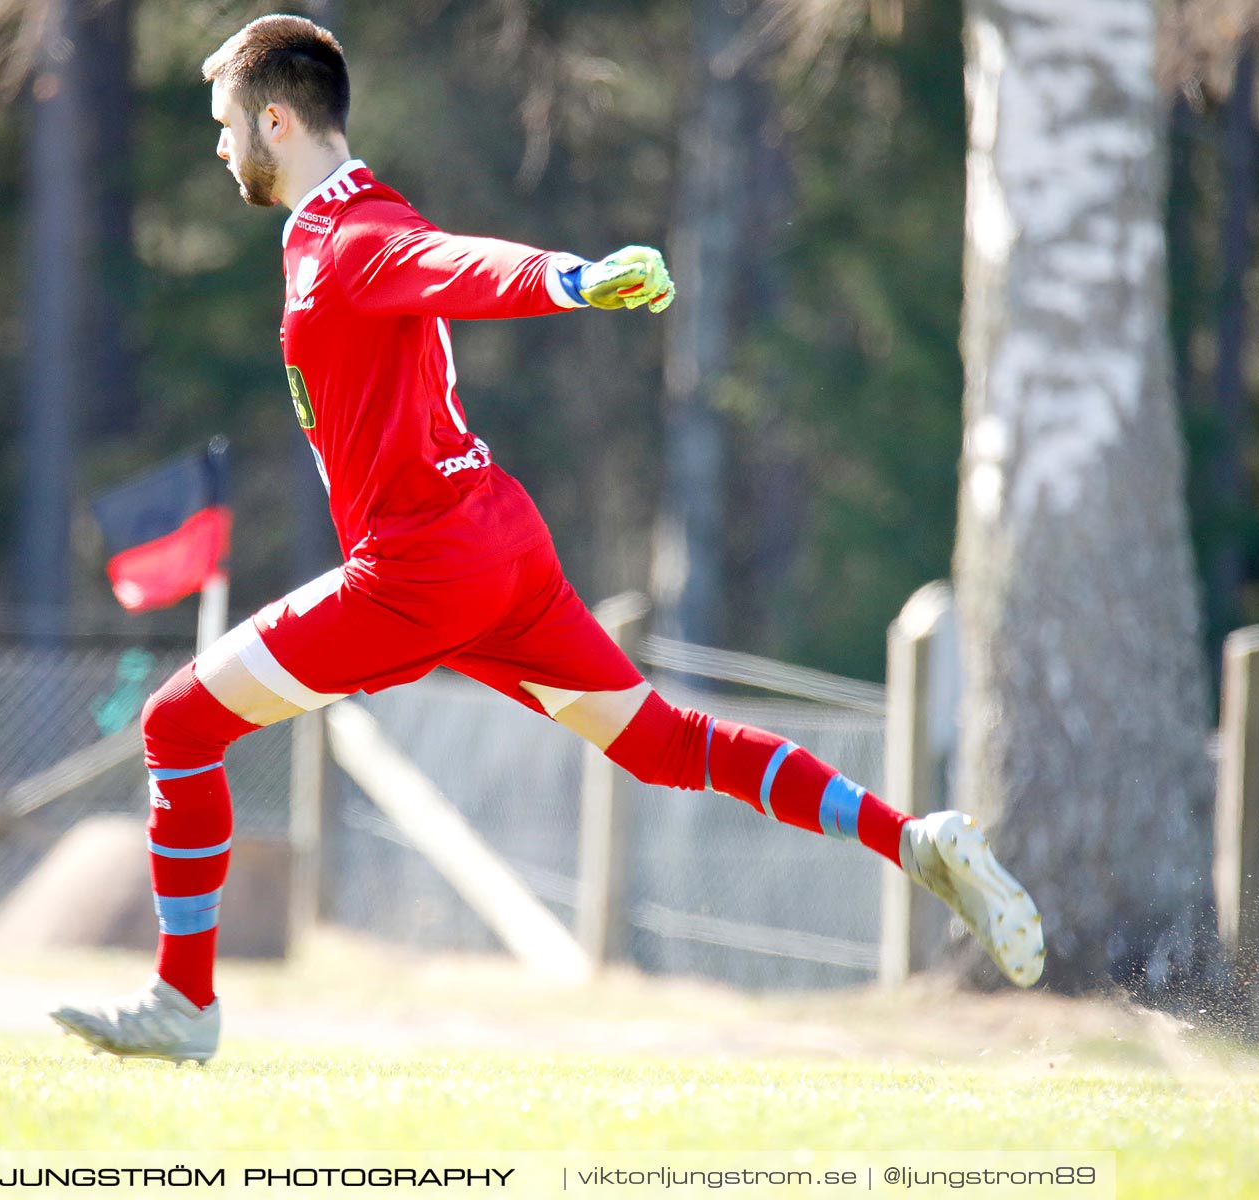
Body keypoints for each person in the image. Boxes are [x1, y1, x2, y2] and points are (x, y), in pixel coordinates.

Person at [51, 14, 1043, 1064]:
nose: (218, 147)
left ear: (278, 120)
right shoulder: (342, 221)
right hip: (496, 545)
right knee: (664, 746)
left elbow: (455, 263)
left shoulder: (350, 239)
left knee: (178, 727)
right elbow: (434, 262)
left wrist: (569, 277)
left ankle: (184, 1004)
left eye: (225, 125)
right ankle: (914, 837)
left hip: (420, 570)